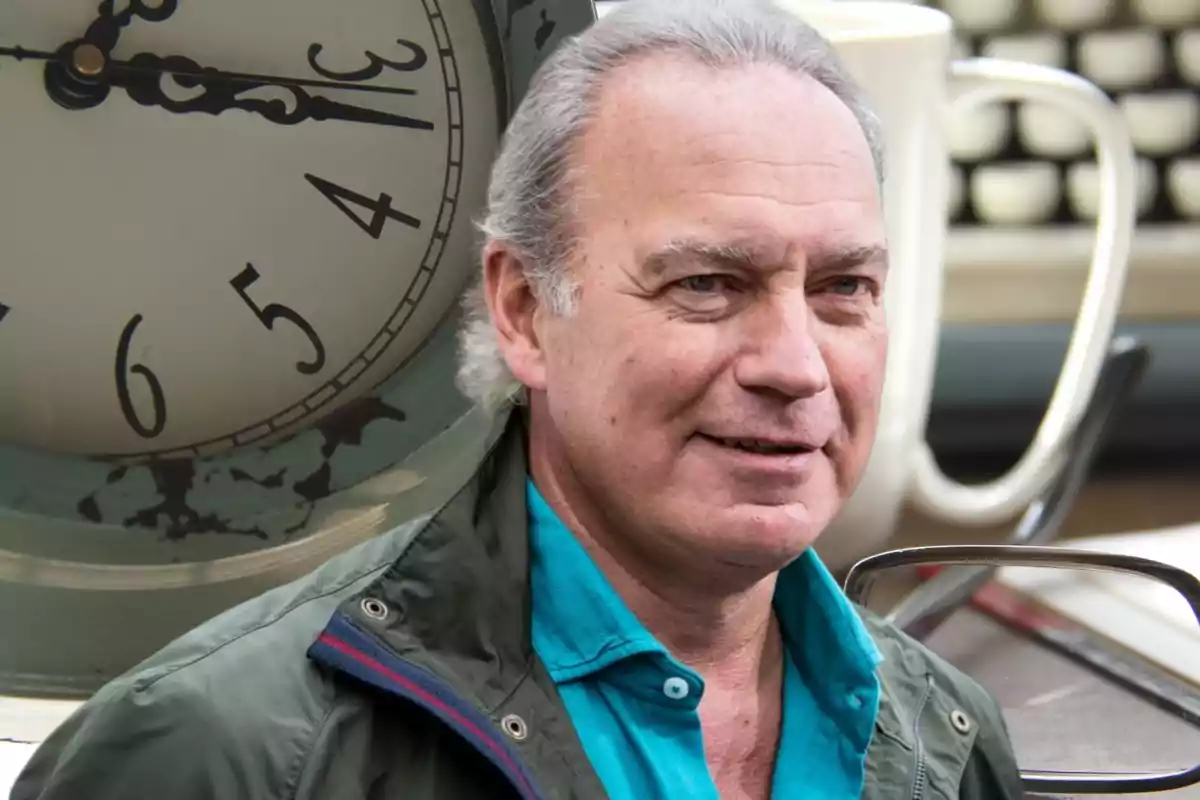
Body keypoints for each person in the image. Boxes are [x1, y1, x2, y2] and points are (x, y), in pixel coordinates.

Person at [12, 1, 1024, 798]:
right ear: (526, 309)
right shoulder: (211, 756)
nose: (796, 364)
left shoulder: (951, 735)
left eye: (843, 288)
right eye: (707, 284)